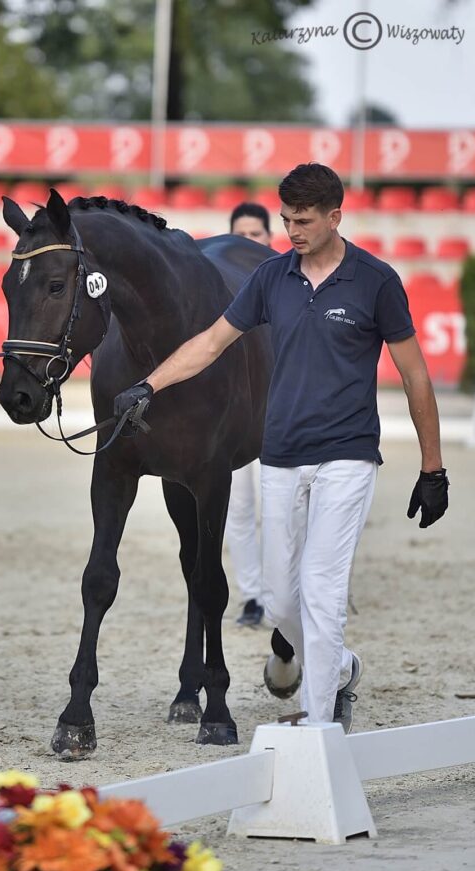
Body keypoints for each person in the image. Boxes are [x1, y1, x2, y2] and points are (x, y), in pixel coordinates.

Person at [114, 163, 449, 733]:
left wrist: (432, 467)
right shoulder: (271, 278)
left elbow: (415, 376)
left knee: (320, 587)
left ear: (335, 217)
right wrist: (149, 385)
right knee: (277, 602)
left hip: (348, 454)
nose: (291, 231)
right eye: (287, 219)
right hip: (281, 456)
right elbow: (211, 344)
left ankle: (317, 727)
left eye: (304, 221)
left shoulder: (376, 281)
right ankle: (340, 666)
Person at [226, 203, 273, 627]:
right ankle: (253, 596)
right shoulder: (222, 289)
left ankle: (281, 592)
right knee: (239, 508)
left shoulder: (287, 282)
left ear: (269, 238)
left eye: (256, 234)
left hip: (279, 414)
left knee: (278, 506)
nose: (247, 241)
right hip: (238, 414)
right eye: (240, 233)